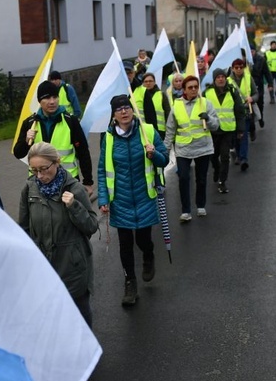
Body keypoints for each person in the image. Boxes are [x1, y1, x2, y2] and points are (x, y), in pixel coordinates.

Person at [98, 95, 169, 306]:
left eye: (127, 107)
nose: (124, 112)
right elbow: (103, 170)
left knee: (143, 239)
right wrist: (103, 197)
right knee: (126, 244)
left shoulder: (147, 131)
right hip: (120, 200)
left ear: (132, 109)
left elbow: (164, 159)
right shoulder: (108, 138)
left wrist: (154, 154)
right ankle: (130, 282)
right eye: (119, 109)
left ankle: (149, 255)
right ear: (114, 115)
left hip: (144, 196)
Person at [19, 142, 99, 326]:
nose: (40, 175)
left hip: (72, 265)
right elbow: (24, 228)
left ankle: (86, 351)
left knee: (79, 312)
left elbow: (91, 226)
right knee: (52, 315)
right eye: (34, 170)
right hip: (44, 265)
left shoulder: (75, 189)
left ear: (57, 162)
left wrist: (74, 206)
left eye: (44, 169)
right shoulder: (29, 189)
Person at [14, 81, 94, 195]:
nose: (52, 101)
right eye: (47, 98)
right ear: (39, 101)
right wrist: (26, 141)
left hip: (67, 181)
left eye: (55, 97)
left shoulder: (70, 121)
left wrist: (88, 182)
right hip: (38, 182)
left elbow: (83, 152)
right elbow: (18, 153)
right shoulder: (29, 123)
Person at [164, 75, 219, 221]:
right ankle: (186, 210)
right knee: (183, 178)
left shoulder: (206, 103)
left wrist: (208, 118)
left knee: (201, 179)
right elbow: (170, 129)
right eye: (190, 87)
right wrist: (166, 149)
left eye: (196, 86)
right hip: (183, 148)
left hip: (203, 147)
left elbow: (216, 125)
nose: (194, 89)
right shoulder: (177, 105)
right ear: (184, 90)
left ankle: (200, 205)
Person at [204, 68, 245, 194]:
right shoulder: (207, 92)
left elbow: (239, 110)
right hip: (213, 130)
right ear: (214, 79)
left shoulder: (232, 91)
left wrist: (240, 129)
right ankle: (216, 169)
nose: (221, 79)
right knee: (214, 156)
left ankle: (222, 181)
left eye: (222, 77)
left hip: (228, 129)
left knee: (225, 156)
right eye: (218, 77)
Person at [227, 58, 258, 172]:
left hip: (245, 113)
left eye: (241, 67)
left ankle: (244, 159)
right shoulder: (228, 81)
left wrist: (252, 99)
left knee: (244, 136)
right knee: (236, 137)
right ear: (233, 69)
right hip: (233, 113)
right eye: (236, 67)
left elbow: (256, 94)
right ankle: (238, 154)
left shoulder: (248, 78)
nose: (239, 69)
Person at [132, 72, 172, 139]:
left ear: (154, 82)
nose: (148, 83)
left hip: (160, 131)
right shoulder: (137, 95)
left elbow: (168, 113)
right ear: (142, 83)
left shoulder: (161, 95)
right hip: (143, 129)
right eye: (146, 81)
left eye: (150, 81)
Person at [249, 42, 272, 131]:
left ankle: (260, 118)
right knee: (250, 106)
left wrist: (270, 84)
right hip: (248, 87)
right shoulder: (244, 61)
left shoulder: (261, 59)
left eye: (252, 51)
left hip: (258, 85)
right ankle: (252, 127)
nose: (251, 53)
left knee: (259, 104)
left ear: (255, 51)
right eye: (249, 51)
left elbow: (267, 72)